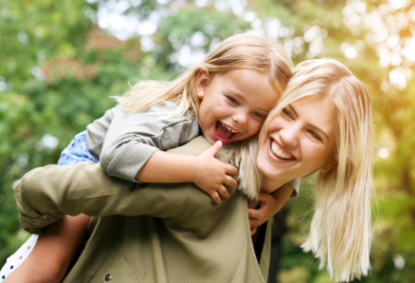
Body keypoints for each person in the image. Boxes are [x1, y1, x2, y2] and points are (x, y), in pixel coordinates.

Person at [6, 58, 372, 283]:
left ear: (330, 162)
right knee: (44, 269)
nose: (288, 136)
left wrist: (279, 197)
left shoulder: (261, 200)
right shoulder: (207, 171)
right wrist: (47, 219)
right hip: (96, 153)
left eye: (313, 134)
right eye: (288, 114)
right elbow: (43, 186)